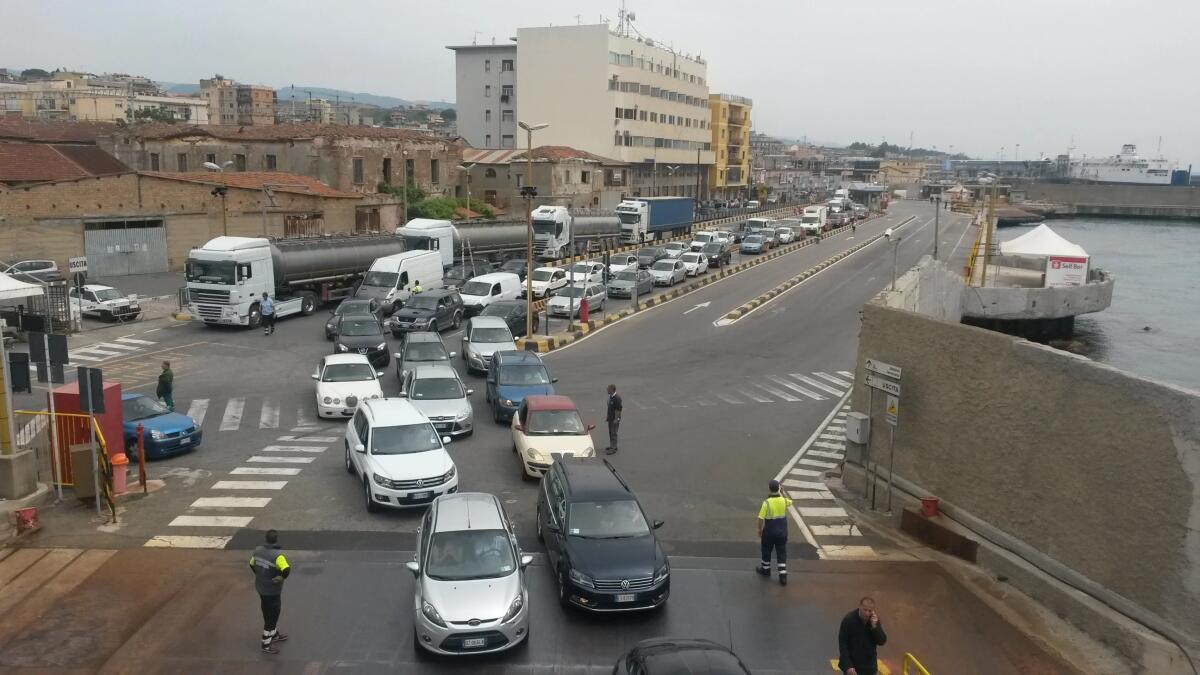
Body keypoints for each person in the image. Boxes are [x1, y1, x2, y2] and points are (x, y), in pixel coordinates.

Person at [249, 529, 291, 654]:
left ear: (265, 539)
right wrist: (281, 577)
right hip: (272, 591)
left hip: (261, 588)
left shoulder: (257, 551)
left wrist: (260, 575)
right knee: (272, 615)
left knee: (266, 610)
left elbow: (251, 564)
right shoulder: (278, 556)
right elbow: (286, 569)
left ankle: (274, 634)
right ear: (276, 540)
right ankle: (266, 643)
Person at [838, 597, 888, 675]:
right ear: (859, 607)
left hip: (869, 668)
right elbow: (843, 645)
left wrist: (875, 627)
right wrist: (848, 666)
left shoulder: (874, 621)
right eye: (865, 610)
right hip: (853, 667)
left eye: (870, 611)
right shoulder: (848, 620)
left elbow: (881, 641)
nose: (867, 613)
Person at [756, 479, 793, 585]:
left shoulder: (766, 503)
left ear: (769, 489)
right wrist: (783, 493)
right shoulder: (783, 501)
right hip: (782, 533)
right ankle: (783, 575)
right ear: (779, 489)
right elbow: (790, 502)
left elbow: (760, 518)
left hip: (769, 533)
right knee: (781, 552)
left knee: (766, 551)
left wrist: (759, 529)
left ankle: (766, 570)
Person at [604, 383, 622, 455]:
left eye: (608, 389)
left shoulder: (617, 398)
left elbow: (618, 410)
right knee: (611, 432)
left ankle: (614, 448)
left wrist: (616, 419)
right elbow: (609, 407)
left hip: (614, 419)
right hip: (610, 418)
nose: (607, 390)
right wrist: (608, 416)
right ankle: (612, 446)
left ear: (612, 390)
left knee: (614, 433)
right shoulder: (610, 397)